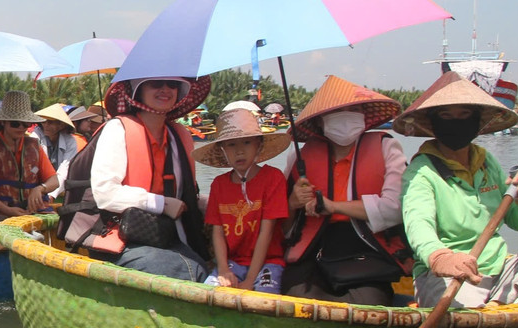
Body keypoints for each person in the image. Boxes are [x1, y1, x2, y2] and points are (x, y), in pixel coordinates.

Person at [395, 72, 518, 308]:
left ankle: (506, 295)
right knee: (463, 309)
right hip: (450, 277)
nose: (455, 122)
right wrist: (440, 258)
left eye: (464, 114)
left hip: (500, 270)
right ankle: (517, 296)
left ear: (477, 121)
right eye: (446, 116)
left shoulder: (486, 162)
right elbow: (418, 227)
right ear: (433, 123)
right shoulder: (421, 171)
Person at [63, 76, 211, 281]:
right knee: (184, 270)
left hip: (164, 234)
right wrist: (161, 203)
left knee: (207, 266)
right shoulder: (117, 129)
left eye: (173, 84)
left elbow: (187, 195)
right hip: (118, 236)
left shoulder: (177, 135)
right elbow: (106, 193)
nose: (165, 89)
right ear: (138, 90)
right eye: (156, 84)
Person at [280, 76, 411, 305]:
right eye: (339, 110)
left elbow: (395, 208)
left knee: (368, 303)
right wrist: (292, 203)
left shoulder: (386, 146)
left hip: (368, 248)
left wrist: (333, 206)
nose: (347, 115)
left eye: (354, 109)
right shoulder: (300, 157)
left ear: (363, 114)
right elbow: (281, 225)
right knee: (298, 298)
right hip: (313, 248)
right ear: (321, 120)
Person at [195, 108, 290, 291]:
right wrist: (222, 269)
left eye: (246, 143)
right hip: (232, 262)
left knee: (264, 297)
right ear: (223, 151)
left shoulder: (273, 177)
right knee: (210, 292)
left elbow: (266, 232)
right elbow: (218, 232)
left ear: (258, 145)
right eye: (231, 145)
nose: (239, 151)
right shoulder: (219, 184)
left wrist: (250, 280)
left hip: (268, 262)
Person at [0, 92, 59, 217]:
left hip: (31, 210)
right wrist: (7, 210)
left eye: (26, 123)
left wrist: (40, 188)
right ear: (3, 122)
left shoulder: (34, 145)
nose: (21, 127)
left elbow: (54, 180)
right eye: (15, 123)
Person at [34, 103, 83, 174]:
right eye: (44, 121)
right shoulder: (36, 135)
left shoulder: (70, 141)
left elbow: (66, 167)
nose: (46, 125)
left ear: (61, 125)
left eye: (50, 122)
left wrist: (54, 184)